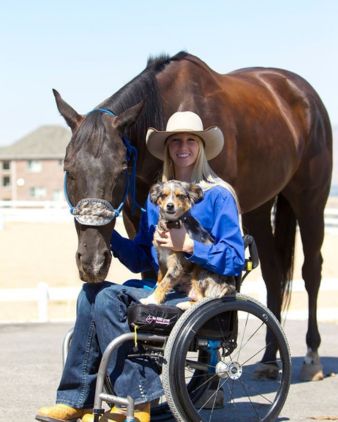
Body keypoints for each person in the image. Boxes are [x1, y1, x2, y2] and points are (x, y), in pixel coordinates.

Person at [36, 111, 245, 422]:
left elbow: (235, 258)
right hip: (161, 284)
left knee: (109, 299)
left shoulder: (217, 195)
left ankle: (134, 403)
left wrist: (188, 246)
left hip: (199, 294)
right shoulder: (158, 197)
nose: (183, 147)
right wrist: (106, 230)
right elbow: (142, 260)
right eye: (176, 141)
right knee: (92, 293)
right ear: (168, 148)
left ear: (201, 146)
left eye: (191, 140)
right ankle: (75, 399)